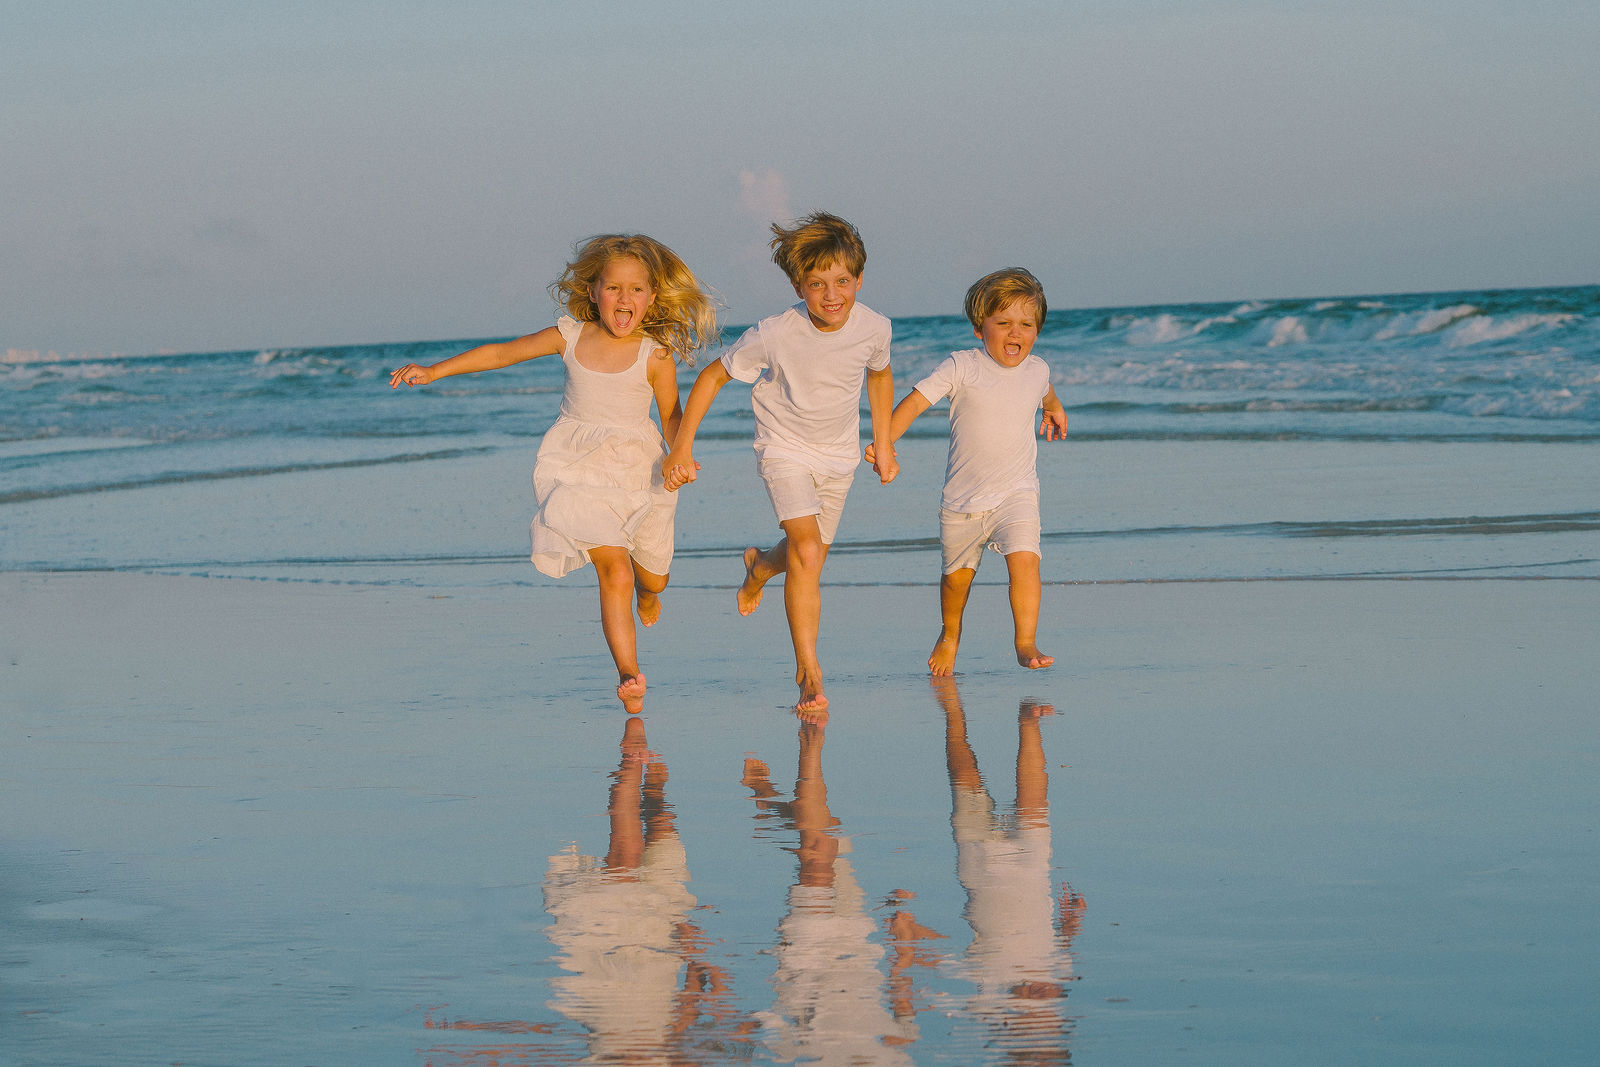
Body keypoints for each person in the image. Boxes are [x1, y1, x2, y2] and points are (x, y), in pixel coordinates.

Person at [390, 234, 717, 710]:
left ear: (651, 297)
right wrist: (435, 371)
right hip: (578, 467)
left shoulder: (656, 354)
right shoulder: (570, 335)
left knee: (653, 578)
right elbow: (502, 354)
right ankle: (628, 673)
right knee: (615, 570)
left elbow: (671, 414)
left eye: (637, 290)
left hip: (638, 469)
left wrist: (680, 453)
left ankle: (650, 598)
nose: (624, 299)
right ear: (592, 292)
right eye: (613, 288)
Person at [661, 212, 895, 713]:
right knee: (808, 553)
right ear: (797, 284)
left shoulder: (875, 327)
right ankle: (809, 671)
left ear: (859, 279)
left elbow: (879, 374)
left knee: (804, 556)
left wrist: (885, 440)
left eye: (842, 282)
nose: (832, 296)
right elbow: (711, 377)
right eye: (817, 284)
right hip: (783, 448)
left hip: (839, 457)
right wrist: (681, 445)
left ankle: (761, 568)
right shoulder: (774, 333)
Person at [865, 267, 1068, 675]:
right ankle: (950, 633)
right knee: (957, 582)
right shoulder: (962, 366)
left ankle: (1025, 642)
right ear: (980, 328)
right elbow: (915, 401)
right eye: (1004, 323)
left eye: (1026, 325)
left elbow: (1044, 390)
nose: (1016, 334)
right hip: (963, 501)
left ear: (1038, 330)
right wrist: (885, 443)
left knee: (1025, 560)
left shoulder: (1038, 369)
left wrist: (1054, 408)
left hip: (1017, 493)